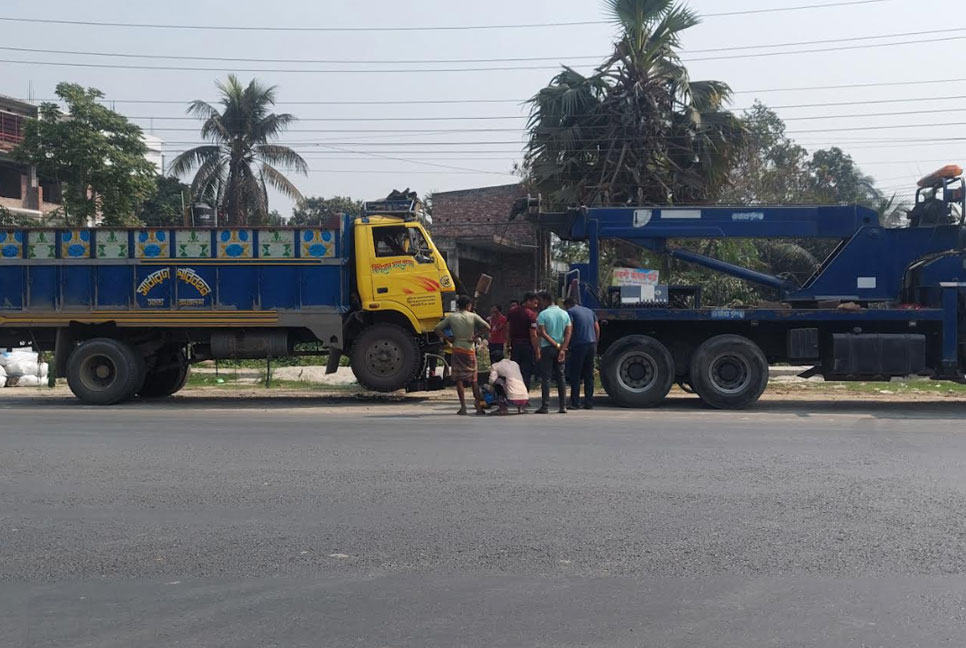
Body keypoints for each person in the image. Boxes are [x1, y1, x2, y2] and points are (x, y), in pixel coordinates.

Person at [435, 295, 490, 415]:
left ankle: (463, 407)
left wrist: (448, 338)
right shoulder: (473, 316)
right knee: (474, 380)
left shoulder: (452, 317)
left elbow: (437, 328)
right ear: (468, 305)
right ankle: (479, 408)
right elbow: (487, 327)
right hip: (470, 350)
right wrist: (475, 337)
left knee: (459, 380)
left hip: (457, 349)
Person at [534, 290, 572, 414]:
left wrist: (554, 344)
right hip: (561, 348)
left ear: (545, 300)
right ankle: (563, 406)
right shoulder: (564, 314)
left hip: (547, 348)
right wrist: (562, 348)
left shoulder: (543, 315)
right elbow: (568, 332)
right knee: (561, 377)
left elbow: (542, 333)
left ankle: (545, 406)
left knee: (546, 378)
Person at [564, 297, 600, 410]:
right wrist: (595, 342)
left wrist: (566, 345)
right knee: (589, 375)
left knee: (576, 375)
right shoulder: (590, 311)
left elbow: (570, 329)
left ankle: (575, 403)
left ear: (567, 305)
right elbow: (597, 328)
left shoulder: (570, 312)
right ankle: (589, 402)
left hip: (579, 345)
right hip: (591, 344)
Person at [507, 292, 540, 389]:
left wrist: (508, 344)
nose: (536, 305)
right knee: (526, 371)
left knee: (515, 370)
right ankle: (524, 394)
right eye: (535, 303)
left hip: (515, 345)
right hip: (527, 346)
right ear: (528, 301)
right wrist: (537, 351)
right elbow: (533, 335)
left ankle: (514, 392)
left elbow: (508, 329)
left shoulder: (512, 312)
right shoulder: (531, 315)